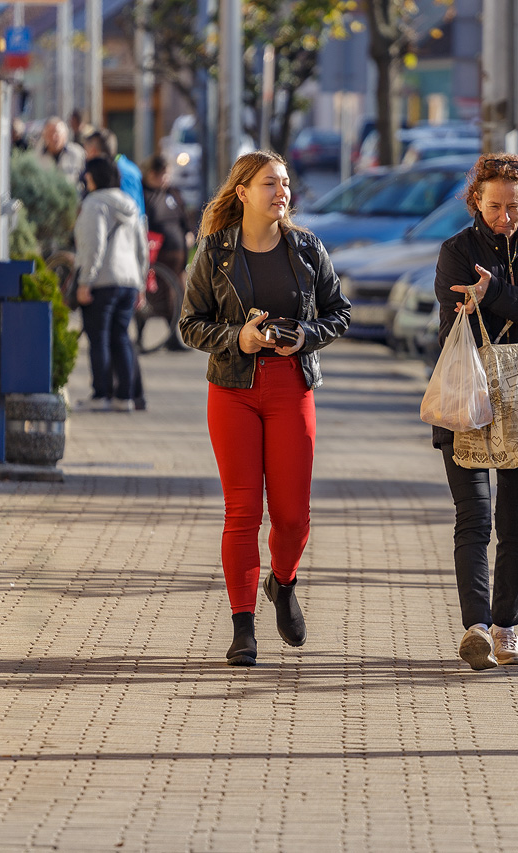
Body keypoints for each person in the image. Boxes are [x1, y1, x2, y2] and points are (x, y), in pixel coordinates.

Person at [179, 151, 351, 667]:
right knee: (243, 511)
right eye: (270, 183)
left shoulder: (306, 249)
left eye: (286, 184)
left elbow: (339, 312)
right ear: (243, 192)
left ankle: (284, 582)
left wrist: (306, 335)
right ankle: (242, 627)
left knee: (294, 516)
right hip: (233, 389)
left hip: (291, 387)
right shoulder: (214, 253)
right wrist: (240, 338)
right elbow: (190, 325)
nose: (283, 193)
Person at [431, 153, 518, 671]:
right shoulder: (456, 251)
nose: (504, 216)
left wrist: (499, 294)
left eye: (513, 206)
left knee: (515, 521)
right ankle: (476, 628)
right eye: (494, 206)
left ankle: (506, 630)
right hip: (467, 396)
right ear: (476, 202)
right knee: (474, 517)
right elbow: (450, 328)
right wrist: (480, 303)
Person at [73, 157, 148, 412]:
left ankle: (101, 394)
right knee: (121, 337)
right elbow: (142, 248)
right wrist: (140, 284)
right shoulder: (130, 203)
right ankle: (125, 397)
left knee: (99, 339)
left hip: (103, 281)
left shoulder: (94, 204)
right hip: (128, 282)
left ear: (93, 177)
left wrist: (85, 281)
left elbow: (94, 246)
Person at [144, 154, 195, 352]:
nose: (165, 179)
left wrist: (188, 232)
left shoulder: (172, 192)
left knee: (179, 296)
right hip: (158, 254)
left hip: (178, 253)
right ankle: (151, 336)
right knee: (159, 296)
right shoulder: (145, 194)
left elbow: (183, 216)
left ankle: (174, 336)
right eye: (161, 175)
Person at [37, 116, 86, 185]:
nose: (54, 137)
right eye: (50, 133)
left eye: (57, 133)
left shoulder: (78, 153)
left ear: (65, 134)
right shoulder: (36, 157)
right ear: (44, 136)